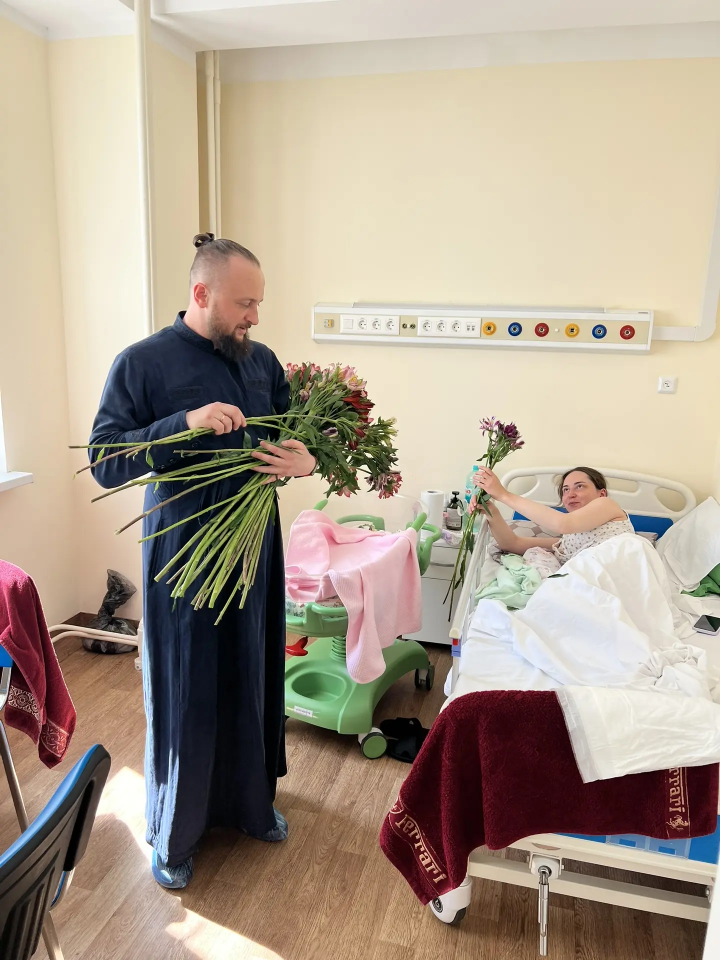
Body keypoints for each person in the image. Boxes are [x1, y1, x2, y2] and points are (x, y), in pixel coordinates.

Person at [89, 233, 316, 889]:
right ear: (201, 294)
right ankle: (176, 831)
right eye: (244, 304)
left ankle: (252, 805)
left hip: (254, 540)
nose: (255, 317)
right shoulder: (142, 363)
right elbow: (105, 459)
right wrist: (181, 424)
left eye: (258, 304)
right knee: (188, 683)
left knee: (252, 669)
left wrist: (305, 460)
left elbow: (295, 432)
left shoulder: (261, 361)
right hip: (184, 547)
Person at [471, 466, 635, 564]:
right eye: (565, 490)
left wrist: (504, 495)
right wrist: (491, 511)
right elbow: (512, 544)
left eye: (579, 486)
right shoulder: (568, 541)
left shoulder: (607, 504)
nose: (570, 494)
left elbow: (563, 523)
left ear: (602, 493)